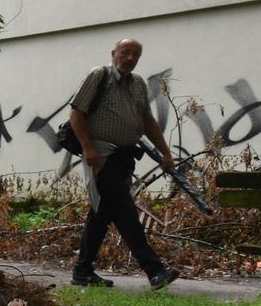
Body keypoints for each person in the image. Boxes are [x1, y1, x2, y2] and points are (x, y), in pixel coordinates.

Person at [69, 38, 181, 289]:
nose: (130, 58)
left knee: (102, 214)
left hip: (124, 157)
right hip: (102, 156)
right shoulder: (99, 76)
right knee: (125, 210)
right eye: (126, 52)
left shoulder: (138, 83)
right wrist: (87, 146)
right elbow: (76, 112)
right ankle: (154, 270)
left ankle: (82, 271)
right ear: (114, 53)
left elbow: (147, 121)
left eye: (135, 55)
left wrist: (166, 153)